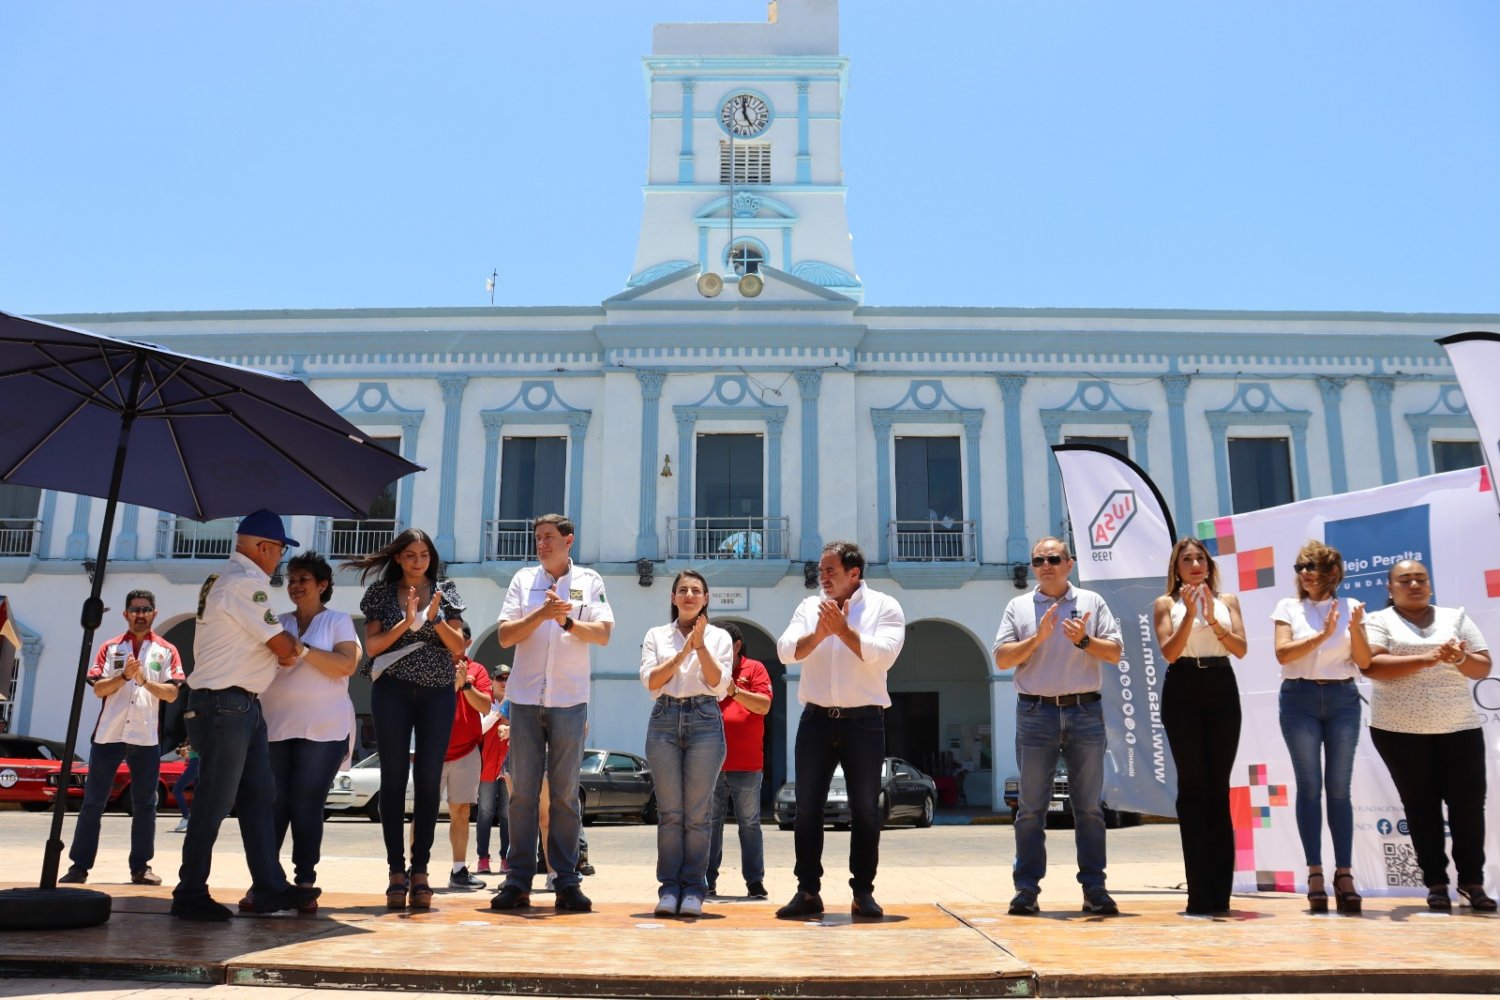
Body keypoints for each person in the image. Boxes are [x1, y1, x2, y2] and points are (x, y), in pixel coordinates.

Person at [170, 509, 321, 921]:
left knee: (258, 797)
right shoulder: (245, 585)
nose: (279, 563)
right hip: (226, 703)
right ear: (263, 548)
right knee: (215, 801)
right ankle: (190, 891)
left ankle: (269, 886)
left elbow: (261, 642)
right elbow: (283, 646)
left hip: (238, 703)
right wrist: (292, 649)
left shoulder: (223, 579)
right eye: (278, 553)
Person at [774, 541, 906, 921]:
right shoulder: (807, 607)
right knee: (806, 809)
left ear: (854, 573)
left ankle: (862, 892)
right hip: (815, 719)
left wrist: (844, 631)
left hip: (864, 721)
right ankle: (808, 890)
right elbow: (786, 650)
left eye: (831, 570)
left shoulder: (885, 607)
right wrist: (819, 634)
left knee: (865, 809)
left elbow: (883, 655)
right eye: (821, 570)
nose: (823, 577)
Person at [993, 536, 1123, 918]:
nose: (1045, 565)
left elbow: (1115, 652)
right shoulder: (1019, 606)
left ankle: (1095, 889)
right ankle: (1027, 890)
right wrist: (1038, 638)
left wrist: (1084, 640)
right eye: (1038, 559)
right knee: (1031, 808)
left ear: (1070, 564)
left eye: (1053, 558)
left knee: (1089, 809)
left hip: (1084, 712)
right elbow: (1001, 657)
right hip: (1036, 713)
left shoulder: (1091, 603)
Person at [489, 514, 613, 913]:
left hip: (570, 701)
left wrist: (565, 619)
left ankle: (565, 880)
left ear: (568, 540)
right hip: (525, 700)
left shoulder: (590, 582)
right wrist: (539, 615)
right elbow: (506, 635)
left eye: (548, 538)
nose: (541, 544)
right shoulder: (523, 581)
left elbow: (604, 634)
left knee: (563, 795)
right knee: (522, 794)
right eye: (537, 537)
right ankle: (518, 879)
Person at [347, 527, 469, 910]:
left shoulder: (446, 590)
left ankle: (421, 871)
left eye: (424, 554)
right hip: (392, 691)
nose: (418, 561)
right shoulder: (381, 594)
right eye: (410, 555)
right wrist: (407, 620)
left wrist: (433, 620)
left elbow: (459, 646)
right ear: (398, 558)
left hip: (436, 693)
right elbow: (373, 646)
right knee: (395, 778)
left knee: (429, 779)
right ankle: (395, 871)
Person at [1363, 559, 1494, 913]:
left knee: (1467, 807)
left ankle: (1472, 883)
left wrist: (1459, 657)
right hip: (1399, 730)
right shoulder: (1377, 621)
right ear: (1390, 589)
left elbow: (1482, 666)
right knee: (1420, 808)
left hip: (1459, 726)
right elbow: (1372, 667)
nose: (1414, 584)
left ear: (1430, 585)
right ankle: (1436, 884)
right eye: (1404, 580)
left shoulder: (1456, 618)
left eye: (1420, 578)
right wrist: (1428, 658)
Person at [245, 551, 361, 913]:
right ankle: (265, 883)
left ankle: (304, 882)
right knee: (274, 804)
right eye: (291, 580)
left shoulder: (338, 621)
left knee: (306, 803)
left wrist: (303, 650)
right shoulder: (277, 622)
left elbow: (345, 665)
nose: (294, 586)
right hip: (275, 726)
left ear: (322, 585)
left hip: (325, 729)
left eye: (303, 580)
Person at [1271, 540, 1371, 914]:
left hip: (1343, 699)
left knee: (1339, 789)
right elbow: (1283, 653)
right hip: (1299, 700)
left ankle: (1344, 874)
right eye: (1299, 567)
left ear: (1332, 573)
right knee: (1310, 787)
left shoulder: (1353, 607)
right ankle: (1315, 872)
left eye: (1310, 567)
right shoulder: (1288, 607)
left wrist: (1356, 630)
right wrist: (1322, 635)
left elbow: (1363, 661)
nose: (1303, 574)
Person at [59, 590, 184, 886]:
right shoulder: (110, 647)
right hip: (109, 734)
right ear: (126, 614)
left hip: (145, 736)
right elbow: (98, 688)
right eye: (135, 609)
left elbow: (173, 692)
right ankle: (79, 867)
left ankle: (141, 867)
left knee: (145, 804)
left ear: (155, 613)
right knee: (93, 802)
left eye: (146, 609)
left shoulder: (166, 650)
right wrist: (124, 677)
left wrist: (144, 680)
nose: (140, 614)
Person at [1152, 537, 1248, 916]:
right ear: (1176, 568)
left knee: (1217, 790)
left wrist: (1211, 618)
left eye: (1200, 558)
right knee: (1192, 790)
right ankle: (1198, 894)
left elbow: (1240, 648)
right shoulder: (1165, 605)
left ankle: (1220, 894)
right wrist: (1190, 614)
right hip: (1183, 687)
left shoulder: (1229, 602)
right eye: (1186, 559)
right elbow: (1169, 652)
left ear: (1209, 565)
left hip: (1222, 686)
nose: (1194, 564)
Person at [640, 570, 732, 917]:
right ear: (673, 598)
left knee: (697, 814)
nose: (689, 595)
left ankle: (694, 888)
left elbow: (718, 685)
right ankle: (669, 888)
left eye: (696, 590)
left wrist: (701, 645)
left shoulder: (720, 637)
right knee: (669, 813)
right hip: (664, 718)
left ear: (706, 598)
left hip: (705, 719)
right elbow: (652, 682)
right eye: (683, 590)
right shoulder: (656, 635)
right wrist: (682, 654)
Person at [707, 620, 772, 899]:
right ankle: (706, 880)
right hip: (709, 764)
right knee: (709, 824)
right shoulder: (707, 670)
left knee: (750, 824)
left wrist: (734, 690)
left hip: (746, 764)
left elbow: (764, 705)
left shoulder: (754, 669)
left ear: (736, 646)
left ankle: (754, 882)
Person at [443, 622, 494, 891]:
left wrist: (465, 687)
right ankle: (415, 869)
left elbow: (485, 706)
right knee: (423, 813)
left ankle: (459, 870)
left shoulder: (478, 670)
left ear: (468, 642)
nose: (452, 642)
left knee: (461, 811)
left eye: (458, 638)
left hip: (466, 751)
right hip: (434, 749)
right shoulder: (431, 664)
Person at [475, 665, 511, 876]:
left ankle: (506, 858)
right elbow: (480, 729)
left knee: (507, 814)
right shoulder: (485, 702)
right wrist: (499, 712)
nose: (504, 682)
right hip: (487, 767)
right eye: (500, 678)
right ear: (492, 680)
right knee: (485, 813)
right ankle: (483, 858)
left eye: (508, 678)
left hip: (508, 766)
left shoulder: (517, 701)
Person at [172, 739, 199, 833]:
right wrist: (183, 751)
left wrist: (185, 749)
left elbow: (197, 748)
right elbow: (186, 754)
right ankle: (195, 820)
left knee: (177, 790)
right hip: (196, 763)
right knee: (198, 793)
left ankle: (186, 817)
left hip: (195, 764)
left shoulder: (197, 730)